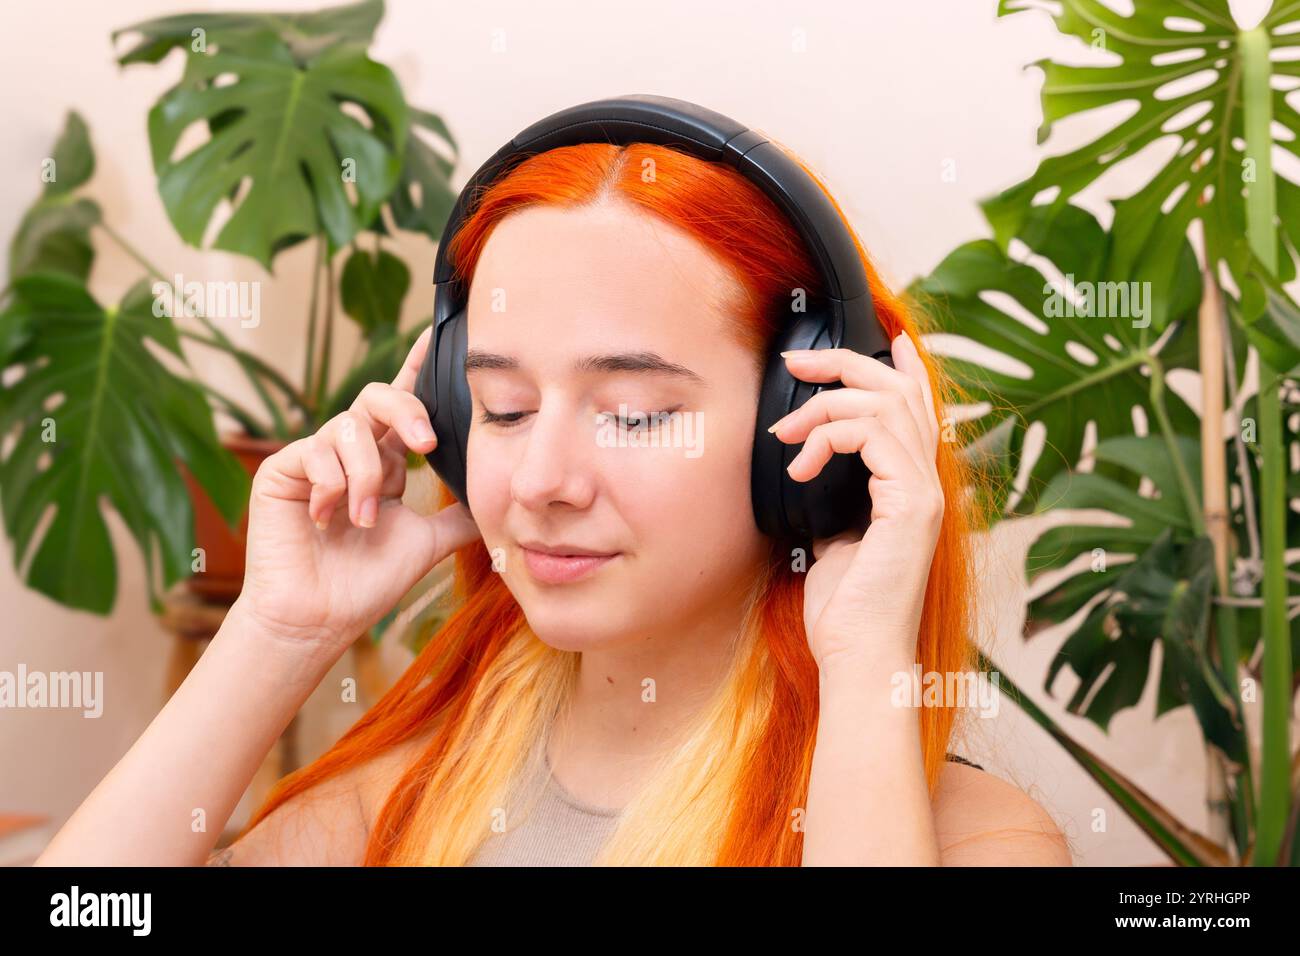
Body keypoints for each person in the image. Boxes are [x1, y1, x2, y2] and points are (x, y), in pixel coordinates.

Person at [36, 140, 1071, 867]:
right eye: (503, 406)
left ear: (800, 429)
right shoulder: (388, 816)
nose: (540, 482)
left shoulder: (974, 842)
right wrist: (276, 630)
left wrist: (861, 665)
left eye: (630, 413)